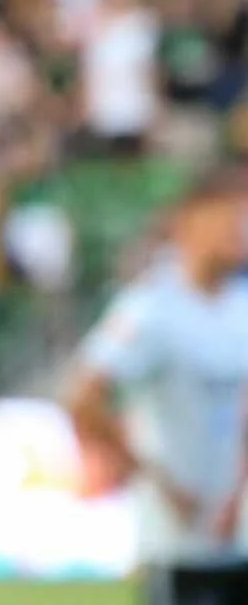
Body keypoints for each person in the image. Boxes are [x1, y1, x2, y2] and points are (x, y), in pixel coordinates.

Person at [66, 171, 248, 605]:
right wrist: (158, 481)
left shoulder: (241, 304)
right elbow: (82, 398)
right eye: (228, 219)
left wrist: (237, 490)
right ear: (187, 224)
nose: (238, 231)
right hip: (175, 539)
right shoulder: (152, 307)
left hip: (235, 530)